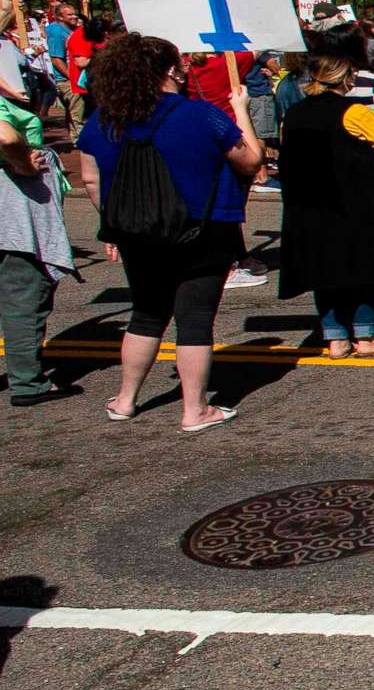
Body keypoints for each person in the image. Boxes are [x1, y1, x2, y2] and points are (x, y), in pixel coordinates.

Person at [73, 35, 263, 432]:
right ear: (171, 71)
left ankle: (125, 399)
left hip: (136, 231)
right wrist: (240, 109)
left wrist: (116, 223)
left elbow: (92, 180)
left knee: (146, 313)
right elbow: (249, 161)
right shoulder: (201, 115)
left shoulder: (103, 119)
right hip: (204, 229)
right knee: (194, 318)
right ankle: (195, 409)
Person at [276, 53, 374, 360]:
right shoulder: (355, 112)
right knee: (363, 267)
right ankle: (366, 337)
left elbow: (287, 155)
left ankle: (336, 339)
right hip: (354, 201)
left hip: (309, 203)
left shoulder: (293, 114)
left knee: (323, 268)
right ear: (346, 79)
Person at [0, 68, 75, 406]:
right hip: (11, 215)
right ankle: (28, 383)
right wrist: (24, 165)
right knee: (23, 300)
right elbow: (6, 137)